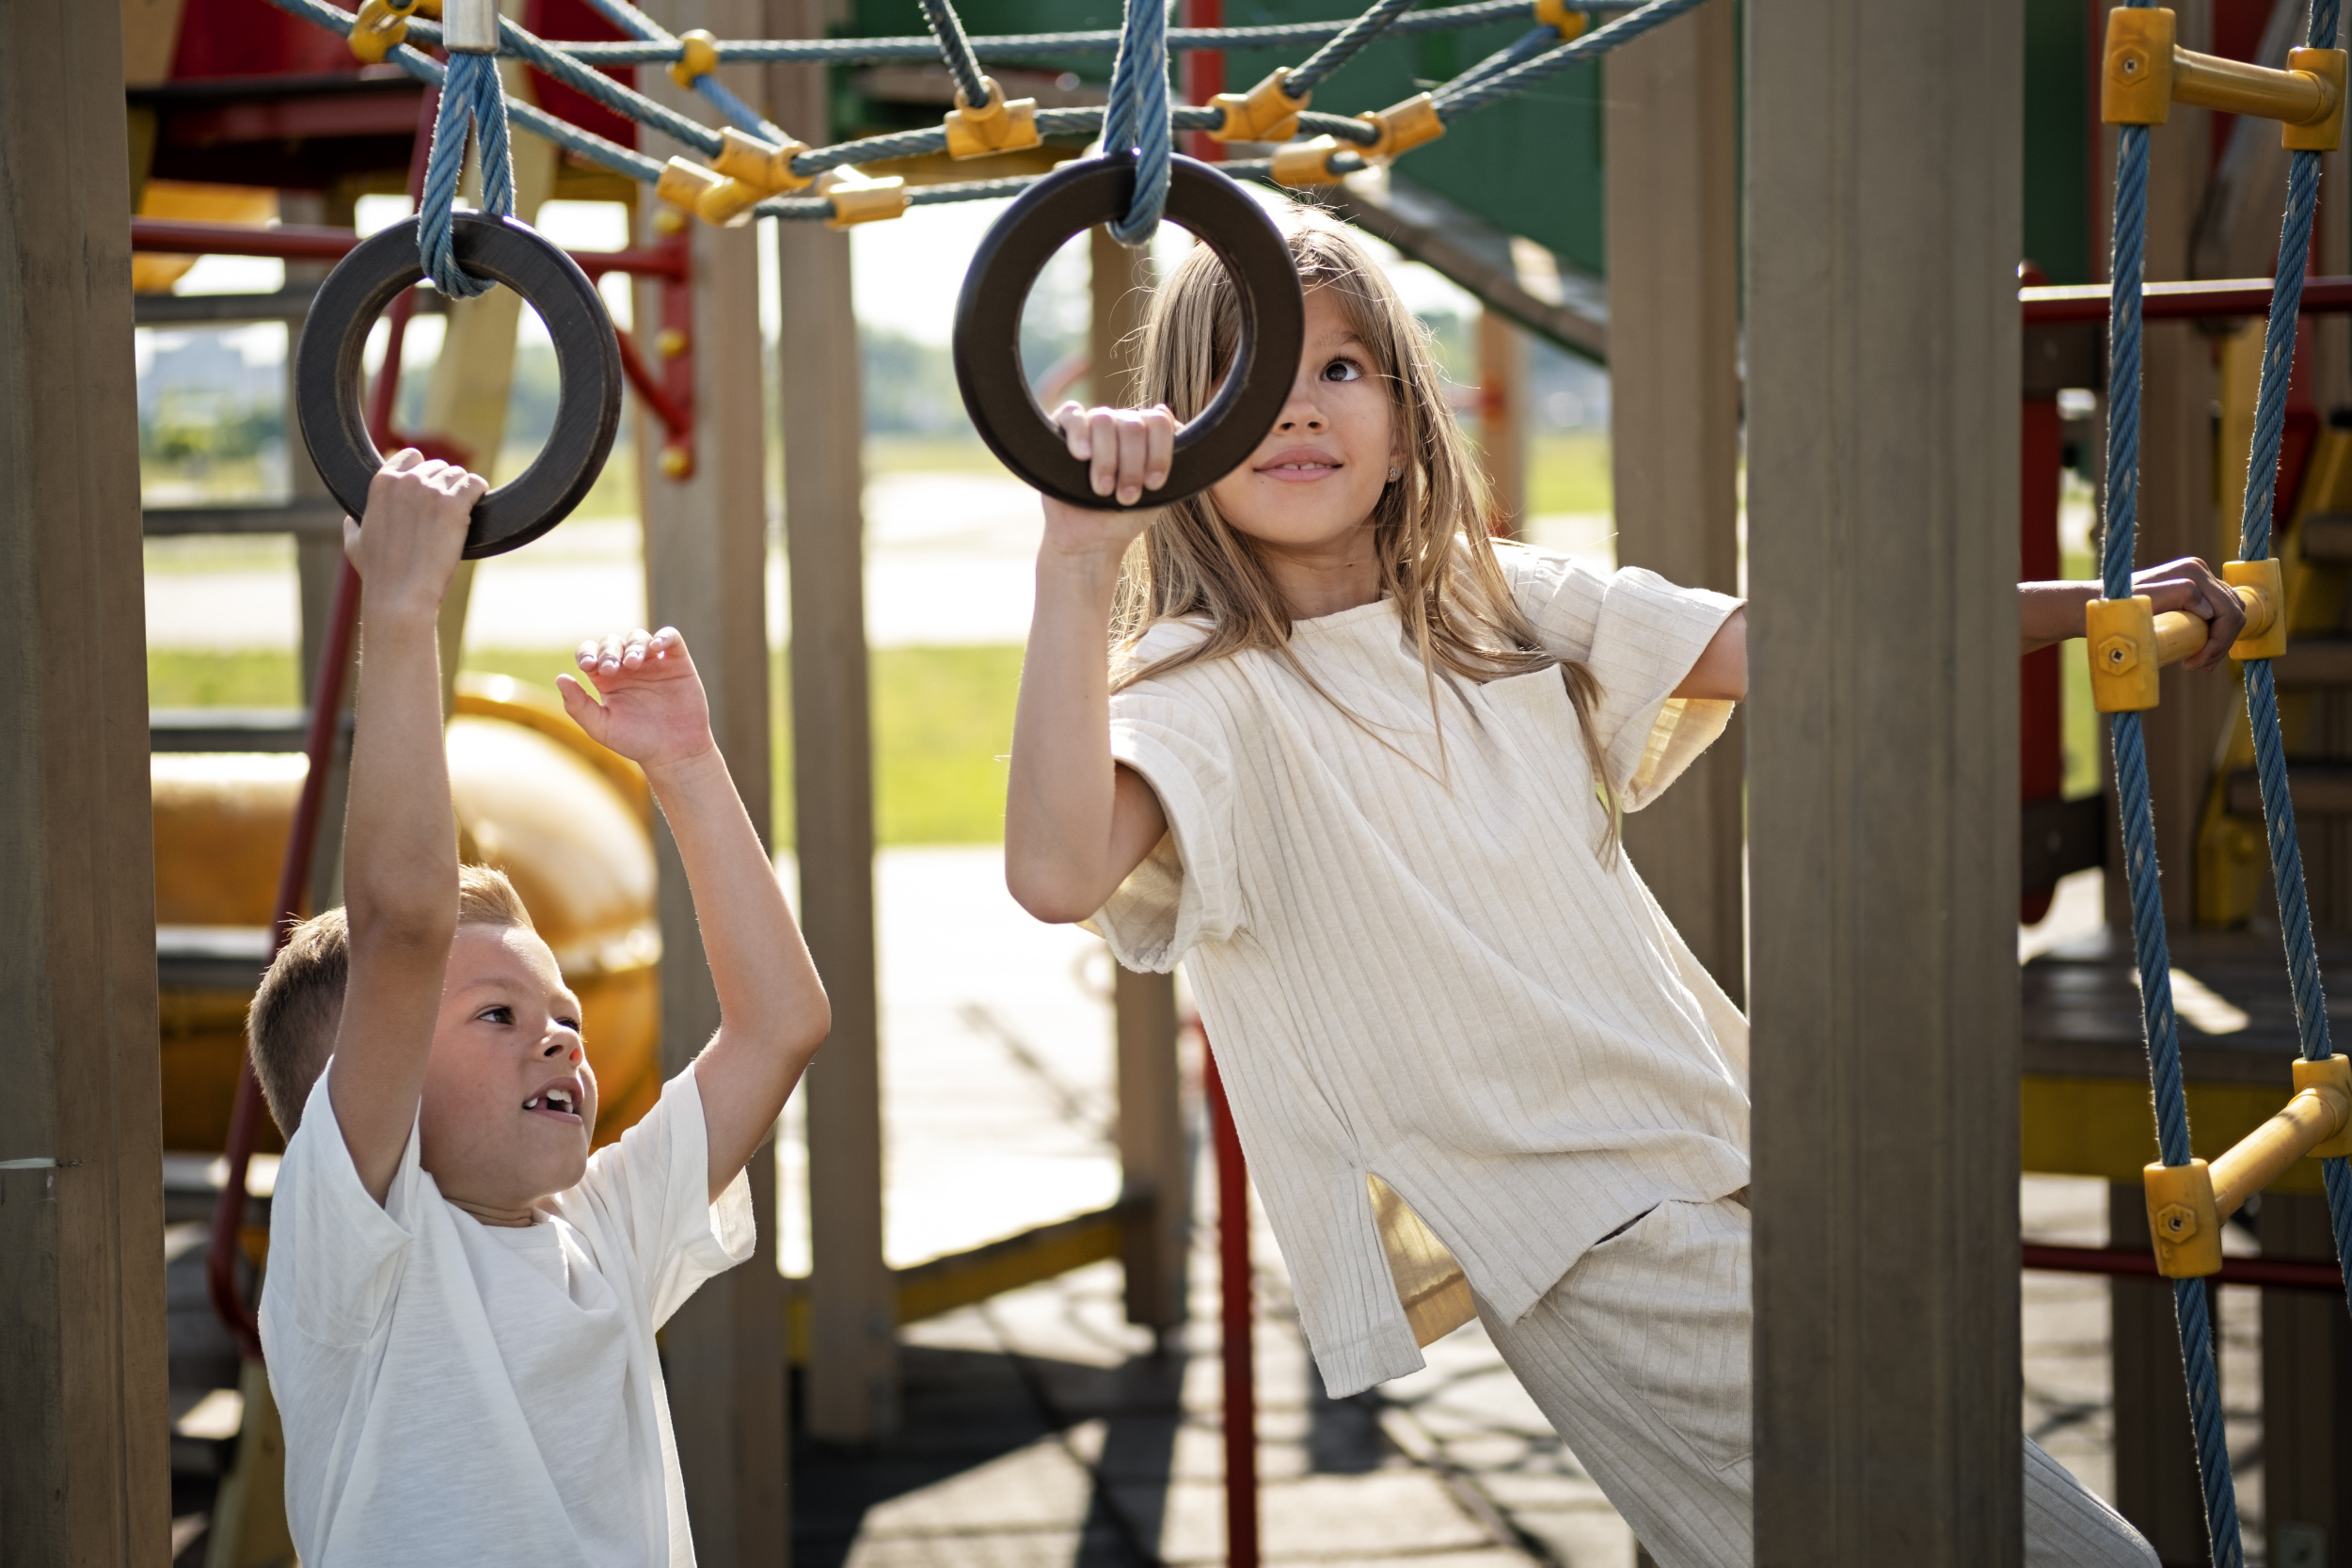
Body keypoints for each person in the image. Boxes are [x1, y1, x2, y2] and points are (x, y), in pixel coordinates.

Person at [1002, 212, 2208, 1568]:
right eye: (1242, 375)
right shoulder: (1202, 688)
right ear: (1187, 435)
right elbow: (1056, 869)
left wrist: (2086, 602)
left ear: (1407, 417)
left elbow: (1793, 640)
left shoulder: (1494, 606)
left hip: (1713, 1156)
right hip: (1576, 1230)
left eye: (1339, 368)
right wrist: (1076, 560)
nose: (1294, 406)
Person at [249, 449, 827, 1567]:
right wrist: (404, 608)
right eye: (497, 1016)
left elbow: (777, 1026)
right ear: (363, 1085)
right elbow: (404, 924)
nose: (560, 1029)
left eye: (557, 1006)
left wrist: (690, 768)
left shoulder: (598, 1228)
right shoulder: (363, 1250)